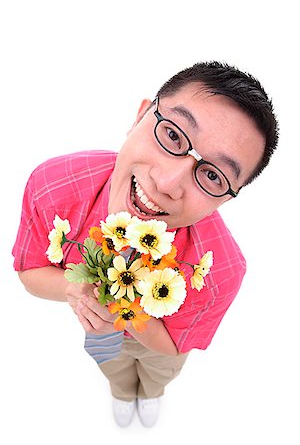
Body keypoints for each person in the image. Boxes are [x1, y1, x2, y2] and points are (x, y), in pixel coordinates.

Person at [12, 61, 279, 428]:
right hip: (95, 322)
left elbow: (174, 346)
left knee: (158, 373)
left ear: (225, 200)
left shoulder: (222, 269)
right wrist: (78, 288)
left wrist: (123, 308)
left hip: (157, 341)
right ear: (139, 117)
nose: (168, 183)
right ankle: (122, 394)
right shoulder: (54, 186)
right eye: (172, 135)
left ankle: (152, 395)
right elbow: (28, 272)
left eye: (213, 175)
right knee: (110, 365)